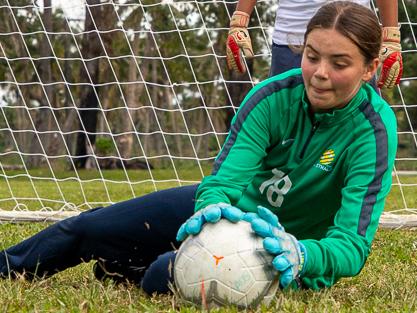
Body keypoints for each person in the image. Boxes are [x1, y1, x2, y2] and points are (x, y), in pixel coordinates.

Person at [0, 1, 397, 295]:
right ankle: (14, 266)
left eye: (339, 63)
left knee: (159, 276)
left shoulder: (374, 131)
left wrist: (302, 255)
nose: (320, 74)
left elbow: (351, 244)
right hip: (231, 212)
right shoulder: (271, 97)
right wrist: (212, 211)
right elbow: (224, 181)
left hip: (284, 247)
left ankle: (134, 267)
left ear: (369, 68)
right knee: (89, 226)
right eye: (312, 57)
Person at [226, 0, 403, 89]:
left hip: (354, 37)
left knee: (358, 131)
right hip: (291, 42)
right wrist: (239, 21)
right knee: (284, 133)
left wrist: (391, 37)